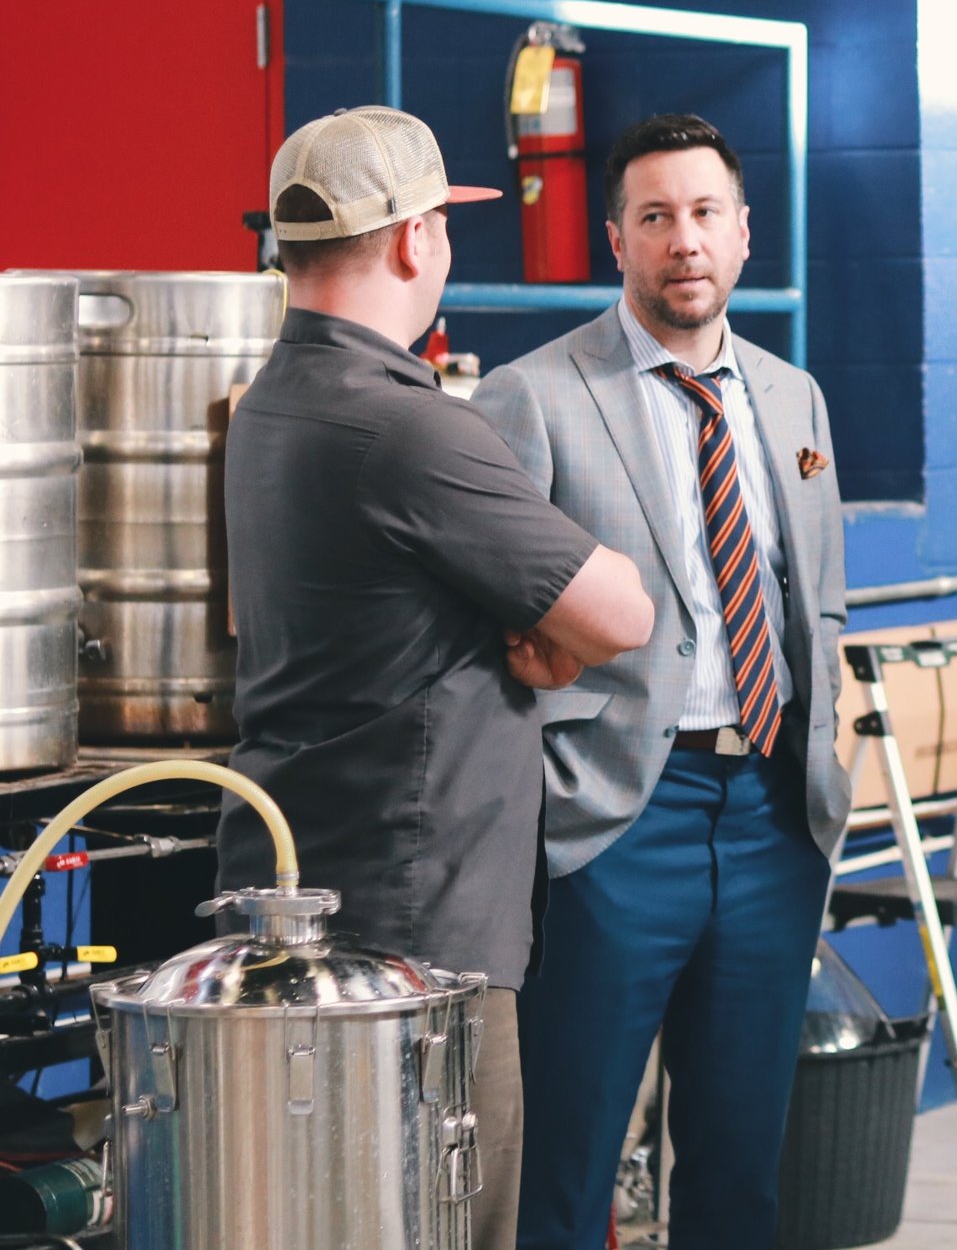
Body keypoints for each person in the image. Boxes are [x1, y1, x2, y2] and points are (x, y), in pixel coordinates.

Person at [219, 106, 656, 1250]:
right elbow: (621, 611)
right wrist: (543, 622)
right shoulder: (408, 427)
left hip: (301, 883)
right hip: (422, 931)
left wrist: (527, 619)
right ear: (417, 240)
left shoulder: (269, 406)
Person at [469, 114, 852, 1250]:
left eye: (702, 214)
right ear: (616, 241)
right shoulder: (532, 396)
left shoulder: (796, 399)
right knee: (568, 1159)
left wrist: (825, 758)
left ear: (742, 235)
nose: (682, 240)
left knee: (741, 1164)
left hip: (774, 811)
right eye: (654, 217)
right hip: (613, 818)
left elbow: (815, 595)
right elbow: (497, 630)